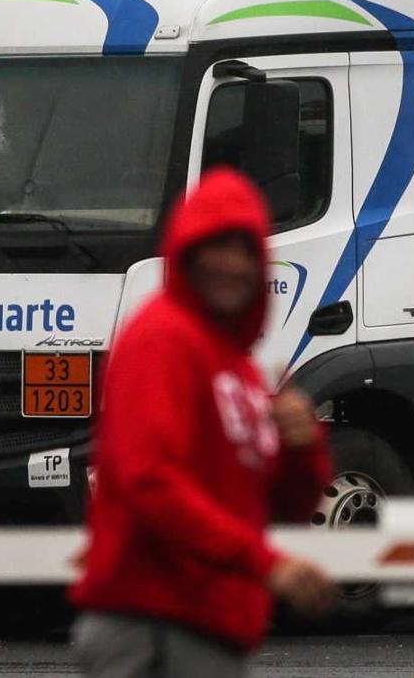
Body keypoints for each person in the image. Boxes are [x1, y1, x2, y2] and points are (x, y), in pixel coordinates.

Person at [71, 167, 336, 677]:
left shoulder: (235, 364)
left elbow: (283, 504)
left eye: (242, 250)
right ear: (186, 252)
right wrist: (265, 564)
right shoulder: (162, 339)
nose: (230, 265)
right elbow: (149, 480)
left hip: (204, 625)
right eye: (214, 247)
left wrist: (305, 448)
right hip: (153, 623)